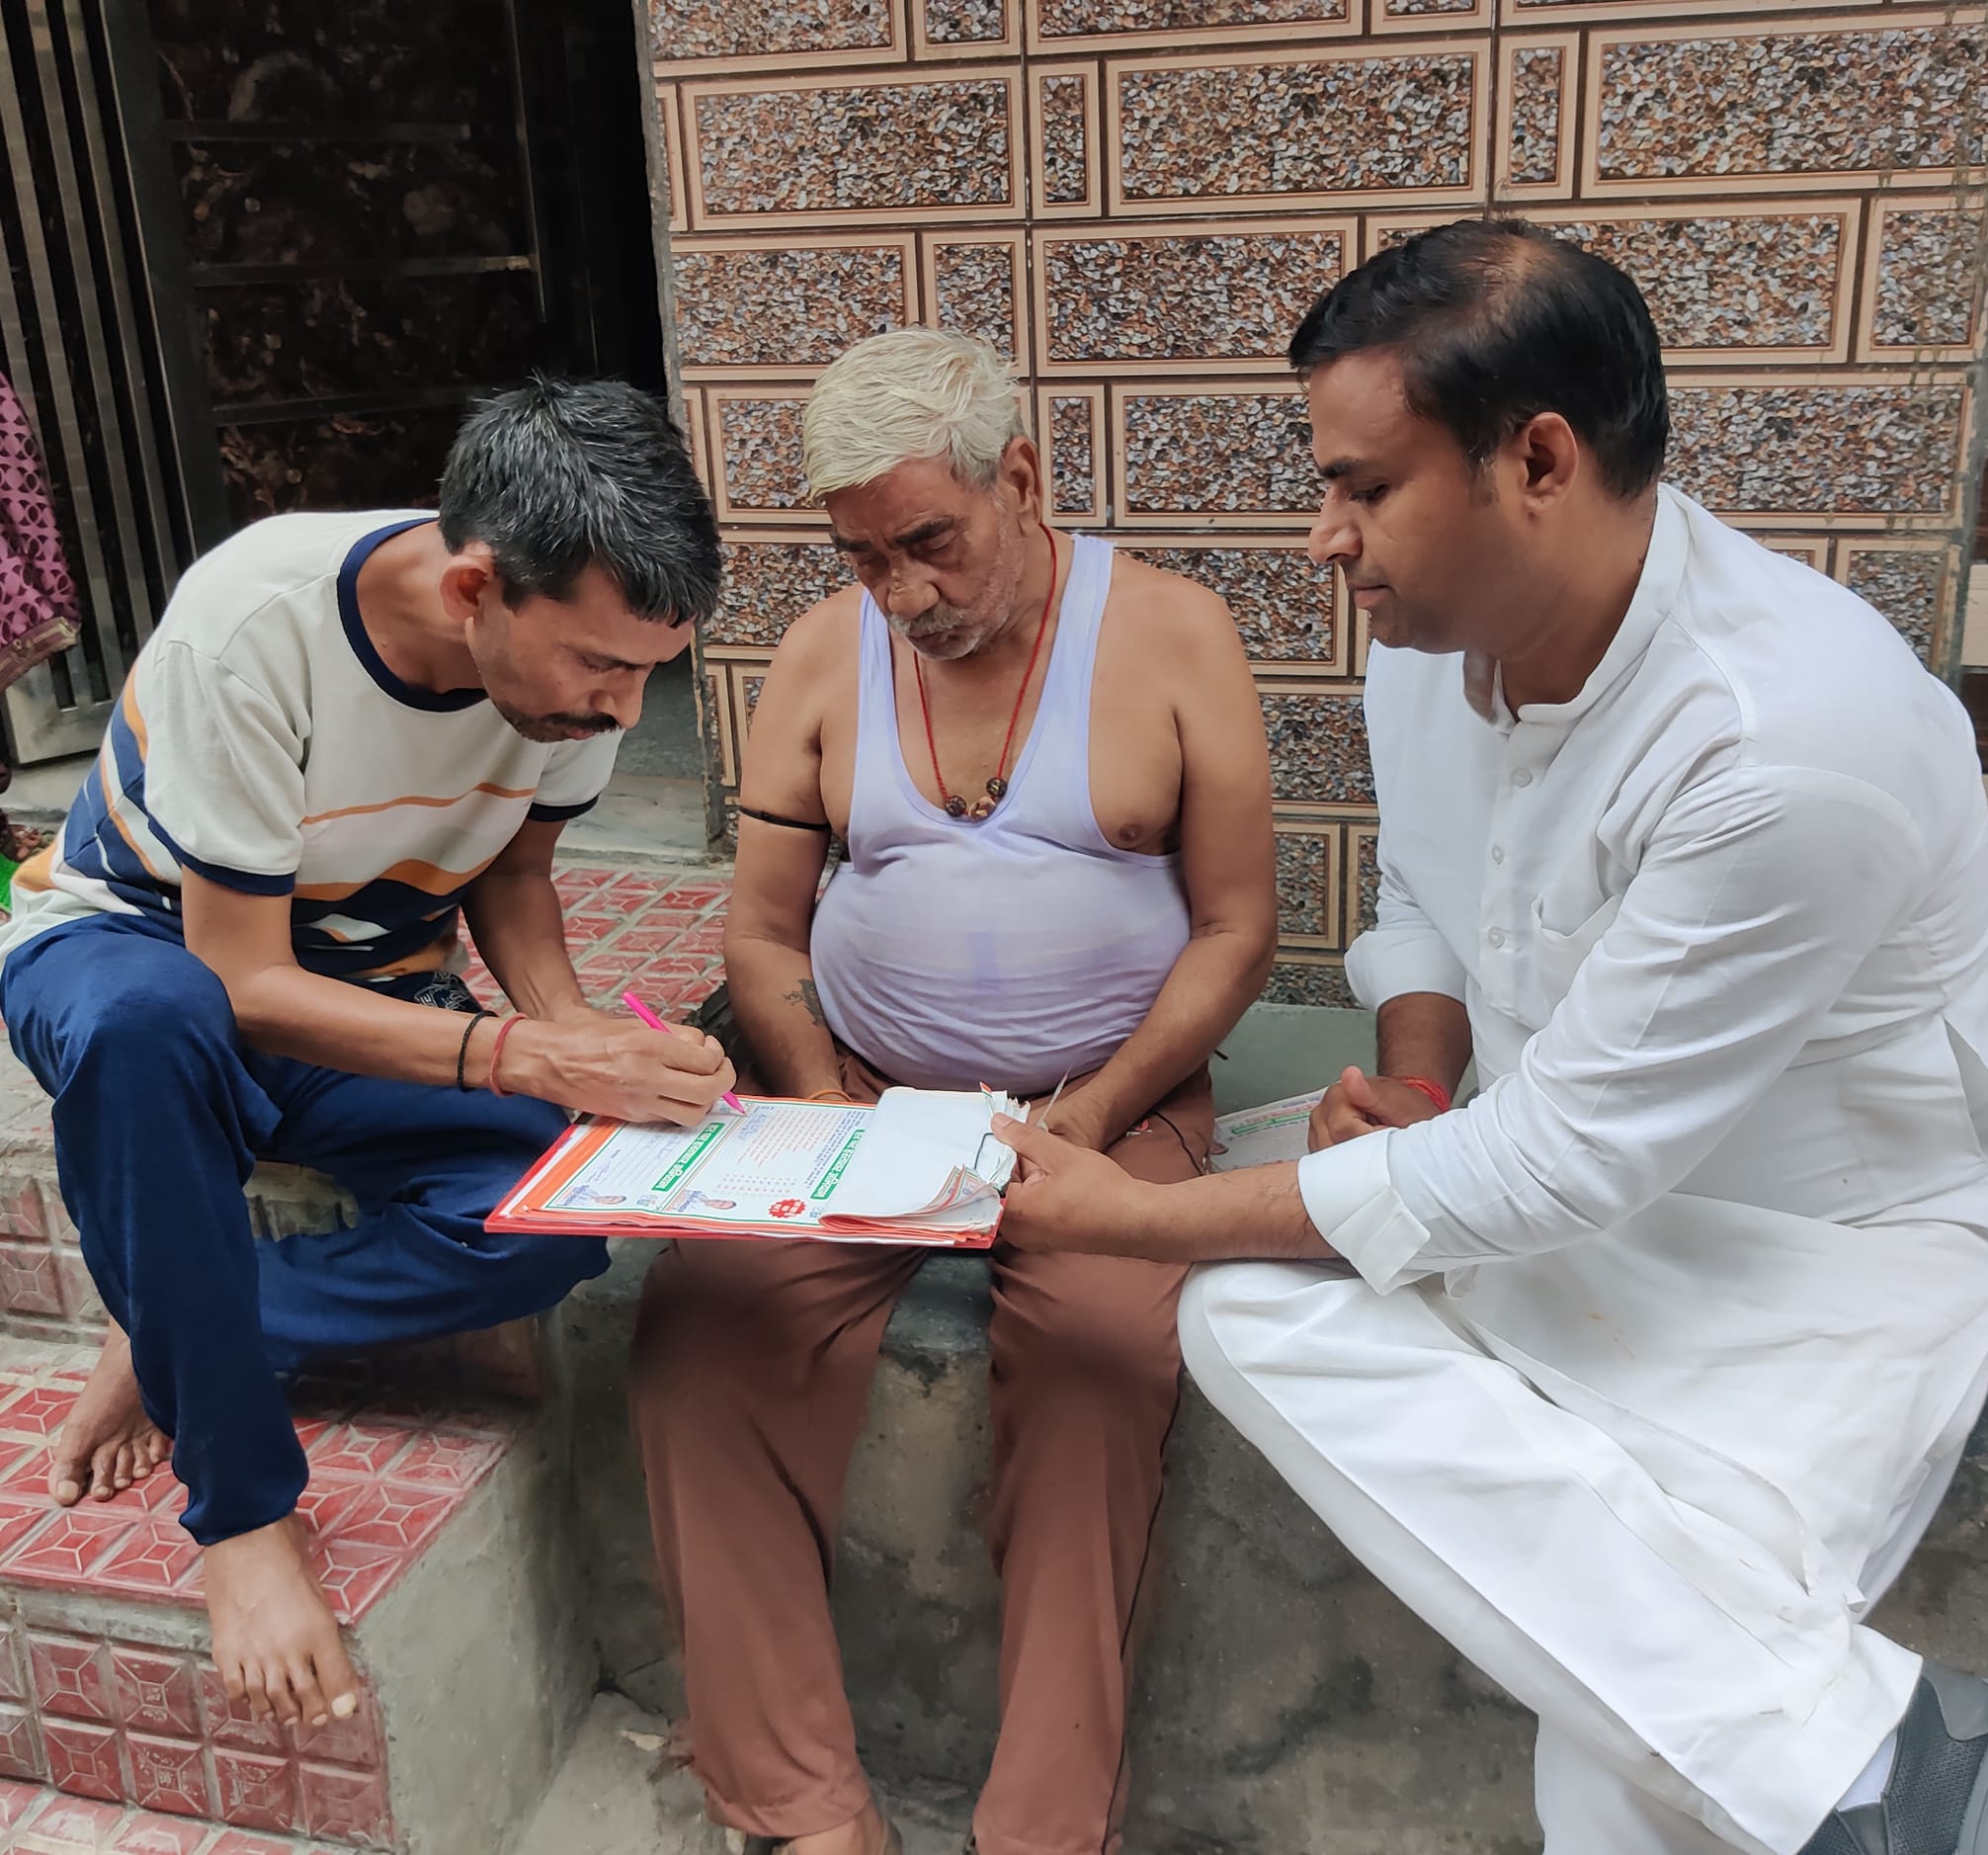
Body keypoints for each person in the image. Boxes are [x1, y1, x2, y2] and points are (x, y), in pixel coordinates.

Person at [988, 219, 1988, 1855]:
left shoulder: (1784, 740)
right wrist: (1417, 1077)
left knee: (1620, 1778)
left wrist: (1128, 1213)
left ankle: (1860, 1767)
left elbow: (1562, 1159)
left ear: (1538, 459)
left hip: (1823, 1265)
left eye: (1364, 486)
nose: (1325, 537)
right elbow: (1426, 888)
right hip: (1561, 1202)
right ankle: (1864, 1748)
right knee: (1247, 1305)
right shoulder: (1439, 644)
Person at [0, 379, 736, 1734]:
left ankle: (176, 1319)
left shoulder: (564, 693)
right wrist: (518, 1051)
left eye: (652, 672)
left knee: (561, 1209)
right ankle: (240, 1512)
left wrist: (576, 1039)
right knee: (145, 1028)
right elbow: (238, 979)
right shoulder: (256, 622)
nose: (629, 712)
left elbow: (513, 874)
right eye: (602, 668)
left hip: (365, 983)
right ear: (474, 590)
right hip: (147, 950)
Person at [628, 327, 1278, 1855]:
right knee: (699, 1334)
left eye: (929, 542)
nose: (903, 595)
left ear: (1021, 478)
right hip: (858, 1092)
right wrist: (826, 1108)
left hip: (1114, 1101)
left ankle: (1043, 1827)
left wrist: (1092, 1118)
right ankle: (803, 1807)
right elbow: (762, 935)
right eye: (865, 559)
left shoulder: (1173, 635)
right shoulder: (819, 655)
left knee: (1100, 1362)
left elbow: (1239, 930)